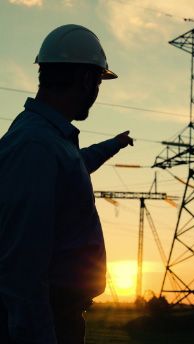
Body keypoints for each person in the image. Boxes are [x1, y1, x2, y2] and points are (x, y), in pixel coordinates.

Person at [0, 24, 133, 343]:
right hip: (51, 320)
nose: (97, 92)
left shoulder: (47, 140)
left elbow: (74, 170)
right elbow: (23, 270)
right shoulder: (38, 146)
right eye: (99, 81)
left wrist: (112, 145)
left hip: (62, 315)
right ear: (87, 79)